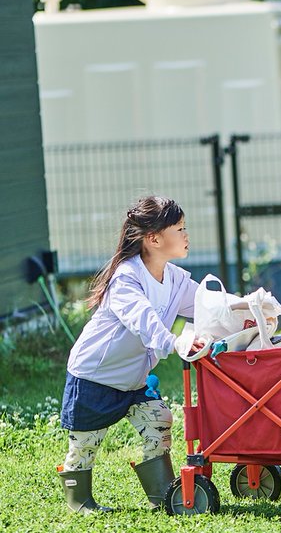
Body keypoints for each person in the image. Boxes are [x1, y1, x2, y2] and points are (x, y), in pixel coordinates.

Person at [57, 196, 206, 513]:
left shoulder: (175, 278)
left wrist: (249, 309)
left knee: (159, 421)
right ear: (154, 239)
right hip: (94, 376)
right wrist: (174, 342)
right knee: (85, 444)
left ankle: (162, 493)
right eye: (179, 229)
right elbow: (143, 320)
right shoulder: (126, 278)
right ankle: (79, 501)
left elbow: (209, 304)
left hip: (135, 380)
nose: (186, 235)